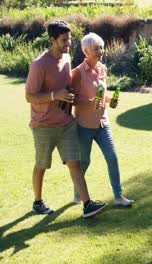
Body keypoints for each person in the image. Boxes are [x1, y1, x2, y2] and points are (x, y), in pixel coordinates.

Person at [25, 20, 107, 218]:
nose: (68, 43)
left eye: (69, 39)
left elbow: (67, 84)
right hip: (43, 124)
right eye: (63, 40)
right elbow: (29, 96)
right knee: (42, 165)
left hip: (66, 122)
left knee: (75, 163)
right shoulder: (39, 64)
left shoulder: (67, 58)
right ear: (52, 40)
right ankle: (38, 202)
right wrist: (55, 96)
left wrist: (71, 94)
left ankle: (87, 205)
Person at [71, 32, 134, 207]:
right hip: (84, 125)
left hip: (102, 123)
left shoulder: (102, 69)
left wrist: (110, 100)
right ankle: (77, 195)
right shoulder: (77, 73)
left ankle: (118, 197)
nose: (100, 51)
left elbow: (102, 95)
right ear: (85, 51)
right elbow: (72, 100)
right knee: (84, 162)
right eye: (95, 49)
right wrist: (90, 103)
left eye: (101, 48)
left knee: (112, 157)